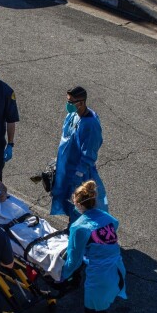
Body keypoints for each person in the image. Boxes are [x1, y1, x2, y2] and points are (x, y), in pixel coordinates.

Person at [61, 180, 127, 313]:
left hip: (99, 279)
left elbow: (73, 260)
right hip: (116, 272)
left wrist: (61, 276)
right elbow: (112, 230)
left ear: (78, 203)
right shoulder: (107, 218)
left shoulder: (79, 227)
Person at [51, 86, 107, 225]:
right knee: (70, 203)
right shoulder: (73, 115)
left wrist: (78, 174)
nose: (68, 105)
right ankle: (72, 227)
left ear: (81, 103)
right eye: (68, 101)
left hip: (79, 172)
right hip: (66, 167)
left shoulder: (90, 124)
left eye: (71, 102)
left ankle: (79, 232)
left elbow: (90, 153)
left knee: (81, 205)